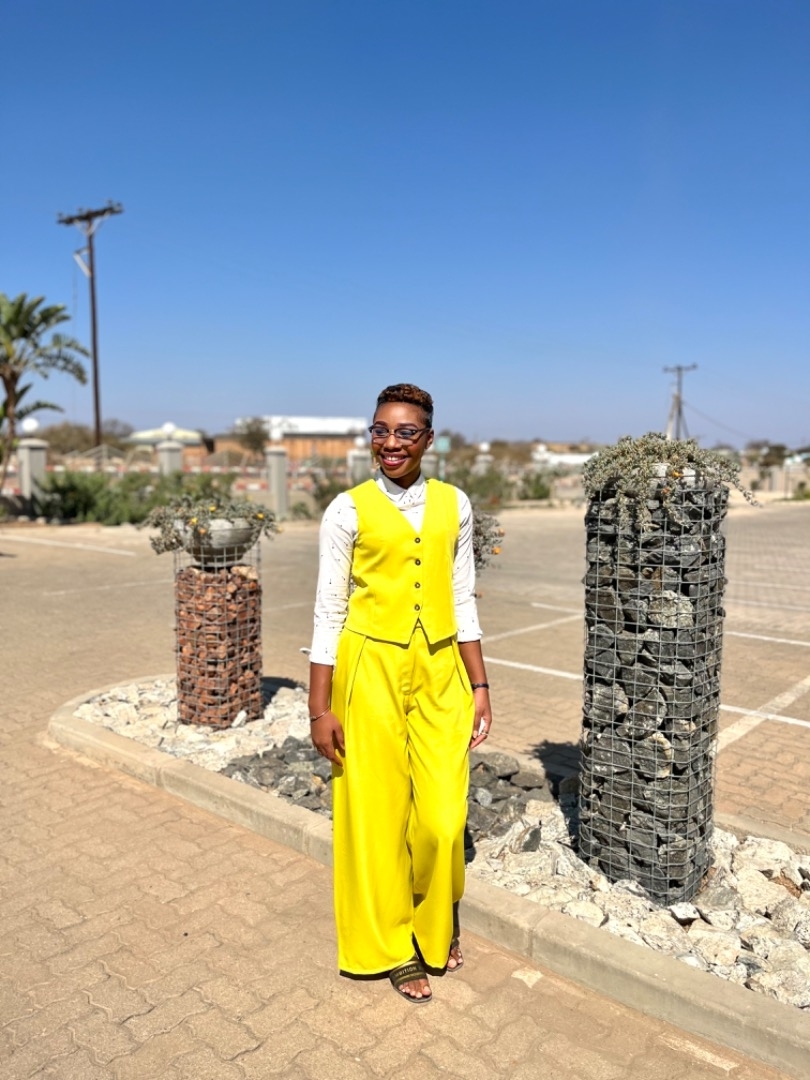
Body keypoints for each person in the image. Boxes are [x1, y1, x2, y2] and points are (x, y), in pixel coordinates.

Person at [308, 382, 492, 1003]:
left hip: (441, 667)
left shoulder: (455, 504)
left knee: (442, 818)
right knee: (377, 813)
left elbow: (462, 597)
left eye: (405, 432)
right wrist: (319, 707)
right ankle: (394, 945)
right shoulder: (347, 511)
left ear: (428, 440)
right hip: (370, 668)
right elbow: (328, 609)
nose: (391, 442)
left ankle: (434, 920)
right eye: (380, 430)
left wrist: (480, 683)